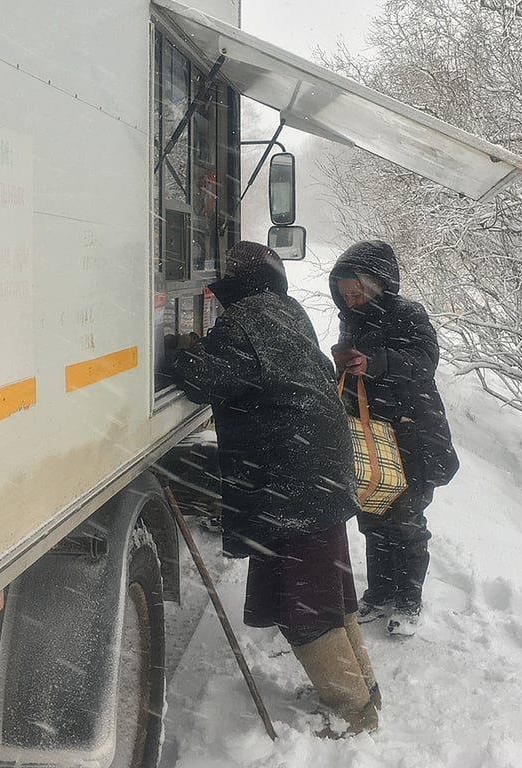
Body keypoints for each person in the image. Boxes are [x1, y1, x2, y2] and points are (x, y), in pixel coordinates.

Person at [171, 241, 380, 735]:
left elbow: (203, 378)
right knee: (330, 592)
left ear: (234, 289)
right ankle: (362, 690)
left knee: (306, 602)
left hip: (292, 481)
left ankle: (352, 714)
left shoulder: (245, 322)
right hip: (315, 472)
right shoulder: (286, 312)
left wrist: (179, 352)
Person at [329, 240, 460, 637]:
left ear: (378, 285)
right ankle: (380, 592)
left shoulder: (408, 314)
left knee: (405, 521)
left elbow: (425, 362)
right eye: (344, 294)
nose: (349, 302)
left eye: (357, 293)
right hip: (372, 437)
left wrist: (376, 363)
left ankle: (408, 598)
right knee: (372, 518)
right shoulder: (351, 319)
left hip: (412, 436)